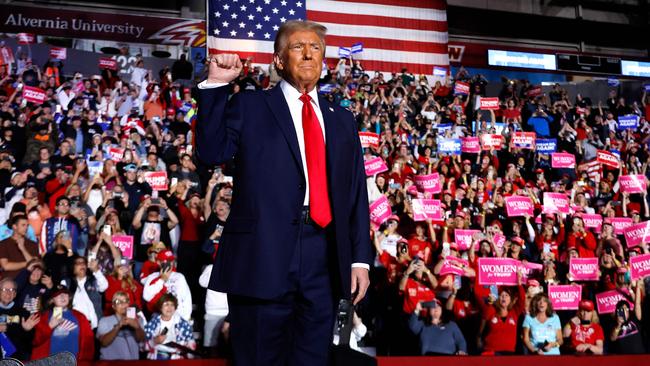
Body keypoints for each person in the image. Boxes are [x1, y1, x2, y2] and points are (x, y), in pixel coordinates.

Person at [196, 20, 371, 366]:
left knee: (312, 358)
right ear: (278, 61)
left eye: (316, 48)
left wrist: (359, 259)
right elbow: (210, 152)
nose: (308, 54)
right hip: (262, 254)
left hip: (323, 255)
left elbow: (354, 194)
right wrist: (216, 85)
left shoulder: (342, 119)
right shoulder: (250, 105)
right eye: (297, 47)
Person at [31, 285, 94, 361]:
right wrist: (49, 327)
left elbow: (88, 342)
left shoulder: (80, 317)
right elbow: (35, 342)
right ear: (52, 300)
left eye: (65, 294)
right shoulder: (42, 317)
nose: (63, 296)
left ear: (69, 297)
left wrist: (84, 362)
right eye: (58, 295)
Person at [142, 249, 192, 321]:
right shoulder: (152, 277)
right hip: (159, 316)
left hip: (177, 316)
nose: (170, 263)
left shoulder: (179, 277)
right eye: (167, 261)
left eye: (171, 261)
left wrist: (186, 318)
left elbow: (186, 298)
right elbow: (146, 296)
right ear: (158, 262)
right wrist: (162, 279)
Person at [143, 293, 196, 360]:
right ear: (160, 307)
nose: (169, 308)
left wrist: (185, 348)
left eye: (172, 305)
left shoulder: (183, 324)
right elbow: (142, 347)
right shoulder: (152, 324)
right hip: (157, 358)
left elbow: (191, 345)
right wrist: (154, 341)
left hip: (177, 358)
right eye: (166, 304)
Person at [96, 291, 145, 360]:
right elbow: (104, 342)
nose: (123, 304)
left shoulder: (138, 320)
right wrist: (118, 326)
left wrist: (137, 327)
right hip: (110, 363)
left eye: (126, 301)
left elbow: (142, 341)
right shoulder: (104, 320)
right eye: (118, 302)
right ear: (113, 306)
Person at [0, 278, 40, 360]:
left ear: (15, 294)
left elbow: (30, 341)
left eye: (12, 290)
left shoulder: (23, 312)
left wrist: (26, 330)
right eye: (4, 289)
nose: (8, 292)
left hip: (17, 358)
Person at [0, 214, 39, 279]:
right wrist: (28, 263)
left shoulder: (33, 244)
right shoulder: (3, 244)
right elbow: (5, 266)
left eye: (27, 225)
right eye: (23, 225)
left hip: (28, 282)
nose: (26, 228)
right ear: (14, 227)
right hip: (10, 281)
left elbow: (35, 266)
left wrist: (23, 249)